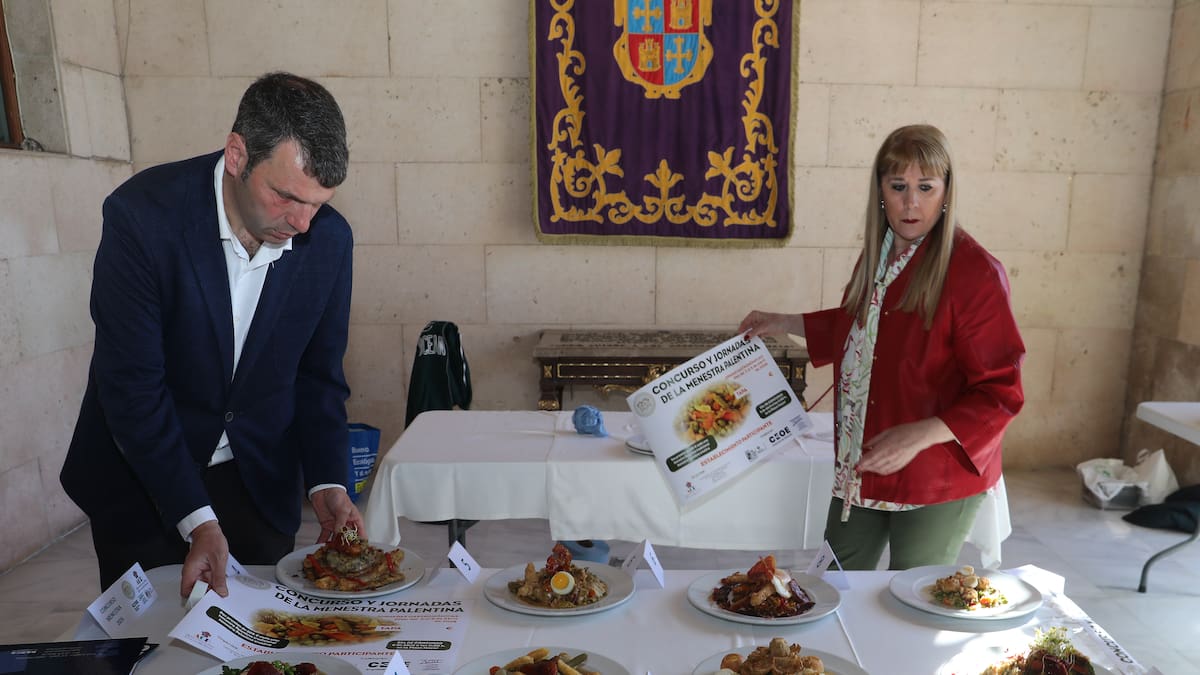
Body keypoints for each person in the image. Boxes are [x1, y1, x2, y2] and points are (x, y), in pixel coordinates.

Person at [60, 72, 363, 597]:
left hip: (258, 483)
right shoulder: (142, 218)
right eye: (286, 197)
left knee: (264, 646)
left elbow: (319, 380)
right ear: (238, 154)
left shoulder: (330, 242)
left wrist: (328, 482)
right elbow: (132, 389)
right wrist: (197, 520)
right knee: (152, 649)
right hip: (144, 482)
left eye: (319, 202)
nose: (303, 223)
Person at [739, 124, 1024, 570]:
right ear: (881, 192)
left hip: (934, 472)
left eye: (925, 187)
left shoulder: (975, 273)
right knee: (835, 583)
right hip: (863, 461)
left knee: (909, 600)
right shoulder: (880, 254)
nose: (911, 202)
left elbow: (1001, 391)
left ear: (946, 192)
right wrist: (786, 322)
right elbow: (866, 328)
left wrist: (921, 434)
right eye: (899, 187)